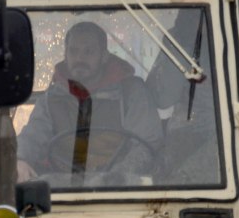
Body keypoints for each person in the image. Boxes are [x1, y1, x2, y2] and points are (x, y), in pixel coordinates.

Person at [17, 20, 163, 180]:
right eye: (73, 51)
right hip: (62, 190)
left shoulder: (130, 93)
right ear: (65, 55)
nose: (80, 58)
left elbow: (146, 145)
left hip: (120, 191)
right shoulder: (52, 98)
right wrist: (20, 159)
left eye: (89, 52)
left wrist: (114, 179)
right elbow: (33, 136)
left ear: (104, 56)